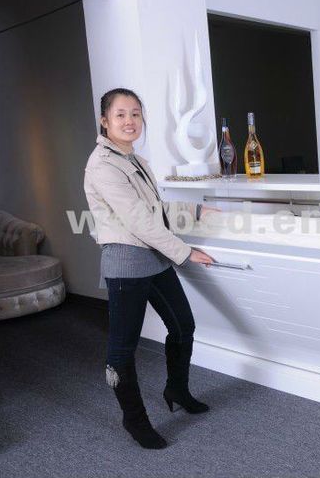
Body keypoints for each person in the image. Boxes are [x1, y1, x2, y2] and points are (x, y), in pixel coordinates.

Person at [83, 88, 216, 449]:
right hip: (126, 266)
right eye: (121, 114)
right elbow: (139, 221)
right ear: (105, 120)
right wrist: (186, 253)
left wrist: (198, 212)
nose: (130, 121)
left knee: (183, 325)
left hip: (154, 260)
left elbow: (155, 208)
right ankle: (135, 420)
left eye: (136, 114)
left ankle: (177, 389)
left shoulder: (134, 159)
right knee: (122, 351)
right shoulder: (102, 164)